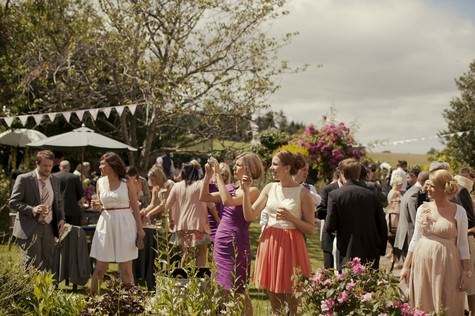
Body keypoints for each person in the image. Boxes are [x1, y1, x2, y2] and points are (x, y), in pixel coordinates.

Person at [242, 151, 315, 315]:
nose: (271, 168)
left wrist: (292, 219)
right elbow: (250, 215)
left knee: (293, 297)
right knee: (274, 297)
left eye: (275, 164)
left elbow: (310, 228)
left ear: (287, 167)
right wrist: (246, 192)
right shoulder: (270, 188)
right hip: (270, 242)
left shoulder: (303, 193)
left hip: (291, 245)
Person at [200, 153, 264, 315]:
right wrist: (208, 177)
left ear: (249, 168)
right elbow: (204, 196)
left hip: (236, 241)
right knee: (222, 288)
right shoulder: (230, 187)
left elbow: (228, 201)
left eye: (238, 165)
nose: (235, 168)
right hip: (221, 240)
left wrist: (217, 175)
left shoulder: (253, 191)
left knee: (238, 289)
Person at [400, 169, 470, 315]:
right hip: (422, 263)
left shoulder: (460, 212)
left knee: (447, 301)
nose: (427, 189)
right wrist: (406, 267)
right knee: (423, 301)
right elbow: (415, 239)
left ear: (443, 188)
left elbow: (463, 245)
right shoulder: (422, 209)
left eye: (432, 186)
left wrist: (467, 272)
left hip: (448, 265)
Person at [89, 152, 145, 295]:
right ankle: (92, 301)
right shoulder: (99, 182)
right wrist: (97, 206)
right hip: (105, 224)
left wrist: (140, 230)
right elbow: (101, 204)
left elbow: (135, 206)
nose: (100, 166)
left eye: (103, 163)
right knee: (100, 268)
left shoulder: (126, 182)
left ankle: (130, 303)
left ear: (112, 165)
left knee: (126, 269)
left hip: (125, 224)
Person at [325, 158, 388, 270]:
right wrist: (381, 249)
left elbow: (330, 226)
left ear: (342, 173)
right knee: (368, 284)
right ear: (358, 174)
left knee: (347, 284)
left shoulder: (335, 195)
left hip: (346, 248)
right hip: (370, 249)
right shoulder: (371, 195)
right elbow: (382, 224)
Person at [9, 150, 65, 271]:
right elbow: (13, 202)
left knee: (47, 261)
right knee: (33, 262)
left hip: (49, 227)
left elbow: (59, 202)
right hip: (30, 227)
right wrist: (32, 209)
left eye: (50, 166)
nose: (48, 169)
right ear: (37, 163)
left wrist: (61, 219)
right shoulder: (24, 179)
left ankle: (43, 290)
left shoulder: (55, 180)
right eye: (45, 165)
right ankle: (29, 289)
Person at [165, 162, 209, 267]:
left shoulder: (176, 186)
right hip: (198, 224)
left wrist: (171, 219)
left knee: (186, 253)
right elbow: (210, 204)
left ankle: (182, 278)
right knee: (201, 253)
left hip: (181, 224)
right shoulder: (200, 185)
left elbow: (167, 205)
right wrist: (216, 218)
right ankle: (199, 278)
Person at [393, 171, 430, 258]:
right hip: (410, 235)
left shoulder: (410, 190)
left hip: (404, 235)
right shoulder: (415, 194)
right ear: (426, 182)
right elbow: (415, 219)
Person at [317, 169, 342, 269]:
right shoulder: (328, 189)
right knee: (329, 270)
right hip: (330, 237)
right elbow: (319, 212)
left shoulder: (354, 190)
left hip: (347, 240)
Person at [56, 160, 84, 226]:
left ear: (60, 167)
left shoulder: (52, 177)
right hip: (73, 210)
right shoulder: (75, 177)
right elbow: (80, 194)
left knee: (57, 234)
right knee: (73, 233)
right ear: (69, 167)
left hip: (57, 210)